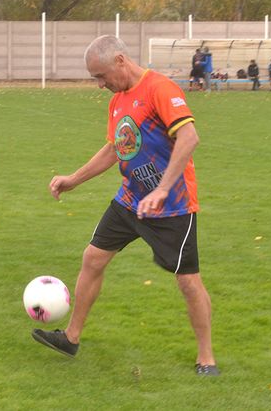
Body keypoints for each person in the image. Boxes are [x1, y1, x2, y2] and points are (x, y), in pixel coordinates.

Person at [32, 35, 219, 377]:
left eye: (101, 76)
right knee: (93, 258)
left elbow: (189, 137)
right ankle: (71, 337)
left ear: (120, 61)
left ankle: (206, 357)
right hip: (130, 200)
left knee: (188, 281)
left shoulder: (159, 89)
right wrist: (74, 179)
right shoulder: (118, 101)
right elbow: (115, 148)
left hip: (171, 207)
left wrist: (162, 189)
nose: (100, 84)